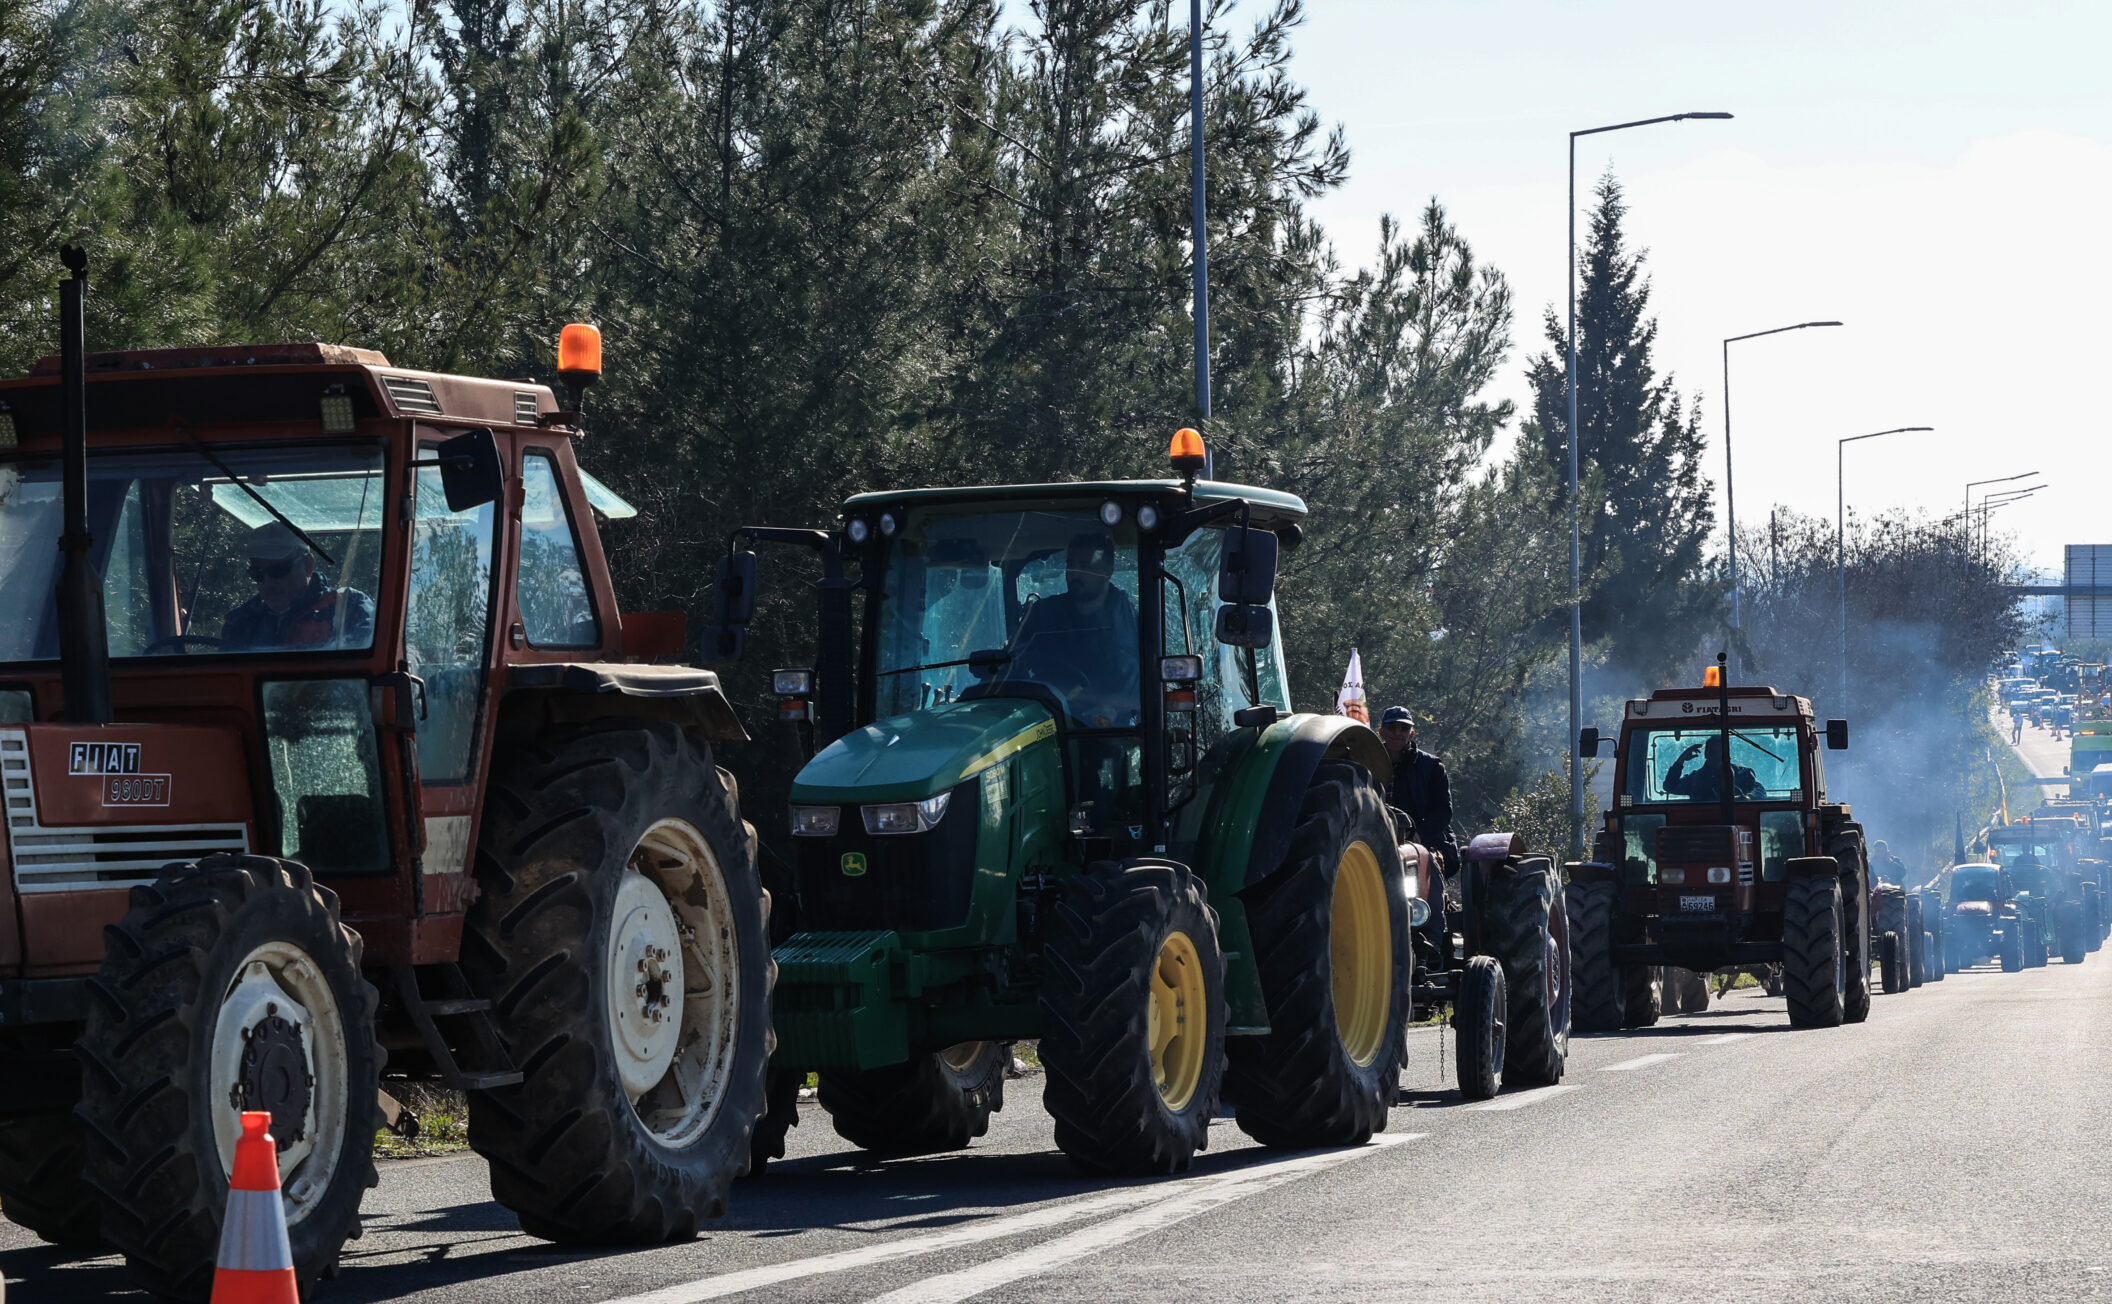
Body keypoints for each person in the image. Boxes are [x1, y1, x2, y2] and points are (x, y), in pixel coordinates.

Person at [1008, 531, 1139, 728]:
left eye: (1085, 565)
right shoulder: (1042, 615)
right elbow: (1011, 665)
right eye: (1071, 564)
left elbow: (1145, 690)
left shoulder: (1131, 623)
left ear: (1108, 571)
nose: (1074, 573)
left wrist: (1113, 708)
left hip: (1114, 733)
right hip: (1047, 722)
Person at [221, 522, 375, 651]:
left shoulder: (347, 606)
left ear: (308, 565)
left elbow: (358, 671)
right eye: (257, 573)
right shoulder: (240, 622)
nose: (267, 582)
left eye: (278, 571)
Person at [1378, 706, 1457, 875]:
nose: (1397, 732)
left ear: (1412, 734)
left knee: (1428, 876)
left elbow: (1443, 811)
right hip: (1378, 839)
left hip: (1422, 840)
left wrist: (1419, 836)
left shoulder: (1432, 766)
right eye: (1392, 727)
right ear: (1381, 732)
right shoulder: (1369, 763)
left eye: (1404, 728)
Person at [1661, 735, 1764, 803]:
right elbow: (1670, 786)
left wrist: (1747, 798)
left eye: (1719, 751)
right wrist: (1681, 760)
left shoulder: (1743, 774)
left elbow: (1760, 791)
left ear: (1727, 752)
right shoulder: (1695, 778)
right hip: (1702, 826)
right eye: (1711, 751)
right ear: (1705, 754)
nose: (1715, 755)